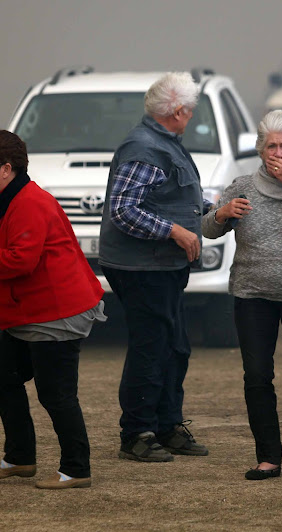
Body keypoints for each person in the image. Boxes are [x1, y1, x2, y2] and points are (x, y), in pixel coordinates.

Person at [202, 109, 282, 480]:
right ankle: (268, 456)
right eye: (271, 145)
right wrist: (223, 213)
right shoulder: (241, 186)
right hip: (252, 293)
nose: (278, 152)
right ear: (261, 150)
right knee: (257, 376)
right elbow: (208, 230)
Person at [0, 130, 106, 490]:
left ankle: (76, 469)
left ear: (7, 169)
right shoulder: (8, 201)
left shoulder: (30, 203)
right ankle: (20, 458)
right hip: (30, 314)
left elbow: (23, 260)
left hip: (57, 314)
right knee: (3, 375)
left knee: (56, 393)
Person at [99, 72, 211, 462]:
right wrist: (175, 232)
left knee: (174, 345)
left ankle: (167, 425)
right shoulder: (144, 147)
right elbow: (123, 210)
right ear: (178, 111)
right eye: (191, 110)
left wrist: (211, 213)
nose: (192, 116)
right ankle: (137, 432)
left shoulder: (165, 143)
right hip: (142, 268)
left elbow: (170, 198)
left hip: (161, 266)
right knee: (152, 347)